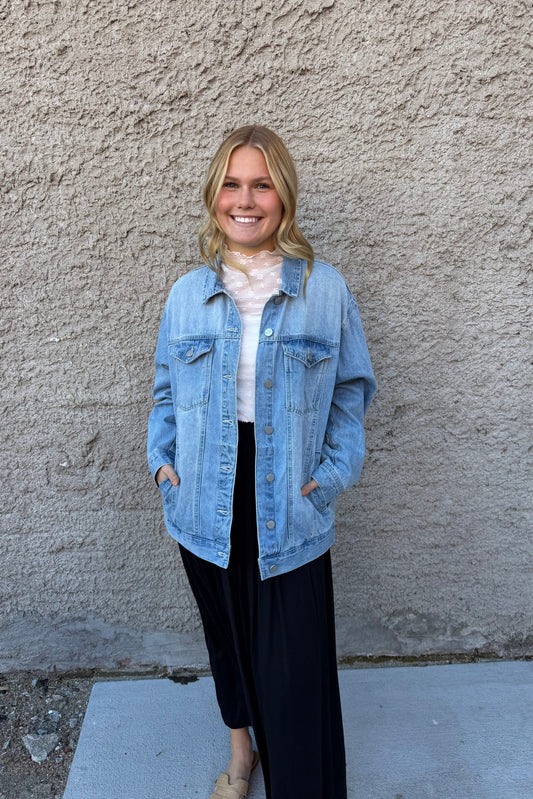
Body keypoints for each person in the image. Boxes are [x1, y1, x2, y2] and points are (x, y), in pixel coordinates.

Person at [147, 125, 376, 799]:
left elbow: (352, 391)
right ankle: (241, 753)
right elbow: (165, 388)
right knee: (229, 640)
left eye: (261, 183)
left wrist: (331, 475)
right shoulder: (188, 293)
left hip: (288, 494)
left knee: (295, 665)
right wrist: (164, 463)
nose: (245, 200)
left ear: (283, 195)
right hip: (202, 494)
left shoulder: (323, 289)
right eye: (232, 183)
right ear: (215, 195)